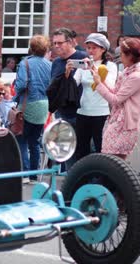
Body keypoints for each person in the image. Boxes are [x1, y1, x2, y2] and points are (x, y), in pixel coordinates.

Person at [92, 37, 140, 159]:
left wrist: (99, 84)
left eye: (122, 54)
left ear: (130, 56)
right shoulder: (127, 71)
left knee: (115, 162)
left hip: (125, 124)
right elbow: (115, 92)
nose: (120, 57)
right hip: (117, 120)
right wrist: (100, 81)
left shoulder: (136, 76)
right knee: (111, 160)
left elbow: (115, 100)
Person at [66, 33, 117, 161]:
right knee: (81, 150)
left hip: (101, 113)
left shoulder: (110, 66)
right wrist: (67, 72)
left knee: (102, 149)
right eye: (88, 47)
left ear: (103, 49)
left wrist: (93, 68)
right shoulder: (84, 65)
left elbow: (109, 85)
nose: (90, 51)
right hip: (82, 112)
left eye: (94, 47)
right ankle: (83, 179)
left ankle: (101, 179)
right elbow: (72, 85)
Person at [14, 35, 52, 178]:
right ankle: (33, 176)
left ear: (31, 48)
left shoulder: (26, 63)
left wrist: (15, 95)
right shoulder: (49, 65)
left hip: (28, 104)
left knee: (21, 138)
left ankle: (24, 173)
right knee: (35, 142)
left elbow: (22, 84)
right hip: (44, 105)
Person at [49, 27, 87, 170]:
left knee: (83, 152)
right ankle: (71, 182)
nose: (57, 46)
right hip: (62, 113)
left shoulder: (83, 57)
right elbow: (53, 87)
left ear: (70, 42)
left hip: (82, 113)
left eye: (60, 43)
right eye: (55, 43)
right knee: (68, 151)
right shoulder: (56, 63)